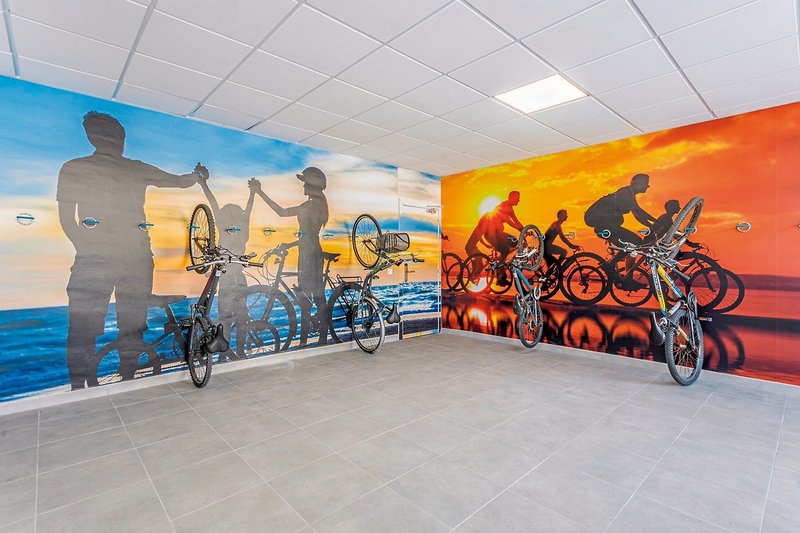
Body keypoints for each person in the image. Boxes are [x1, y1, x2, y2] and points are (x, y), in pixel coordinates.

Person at [57, 111, 205, 389]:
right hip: (135, 259)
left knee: (82, 329)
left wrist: (89, 249)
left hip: (95, 260)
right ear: (120, 140)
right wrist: (198, 175)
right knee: (132, 326)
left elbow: (67, 221)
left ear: (91, 137)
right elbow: (179, 181)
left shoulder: (73, 168)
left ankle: (78, 390)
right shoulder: (134, 168)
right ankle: (127, 382)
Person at [249, 167, 329, 346]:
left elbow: (282, 213)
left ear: (312, 185)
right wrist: (291, 244)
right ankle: (315, 340)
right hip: (309, 251)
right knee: (313, 299)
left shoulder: (310, 206)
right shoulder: (315, 205)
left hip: (309, 254)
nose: (303, 187)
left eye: (305, 183)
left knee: (308, 300)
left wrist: (260, 192)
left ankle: (307, 342)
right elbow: (306, 235)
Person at [198, 175, 256, 360]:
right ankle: (236, 352)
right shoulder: (243, 229)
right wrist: (253, 193)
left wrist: (204, 183)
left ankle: (225, 354)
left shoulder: (227, 228)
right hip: (235, 277)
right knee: (240, 318)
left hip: (226, 277)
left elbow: (213, 205)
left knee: (226, 319)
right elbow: (247, 210)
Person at [584, 173, 656, 288]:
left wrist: (652, 225)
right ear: (638, 183)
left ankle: (627, 279)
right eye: (646, 183)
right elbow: (639, 212)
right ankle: (610, 265)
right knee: (634, 244)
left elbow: (638, 215)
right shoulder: (626, 193)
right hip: (605, 227)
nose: (648, 186)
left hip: (610, 226)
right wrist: (656, 222)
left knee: (635, 245)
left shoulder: (629, 194)